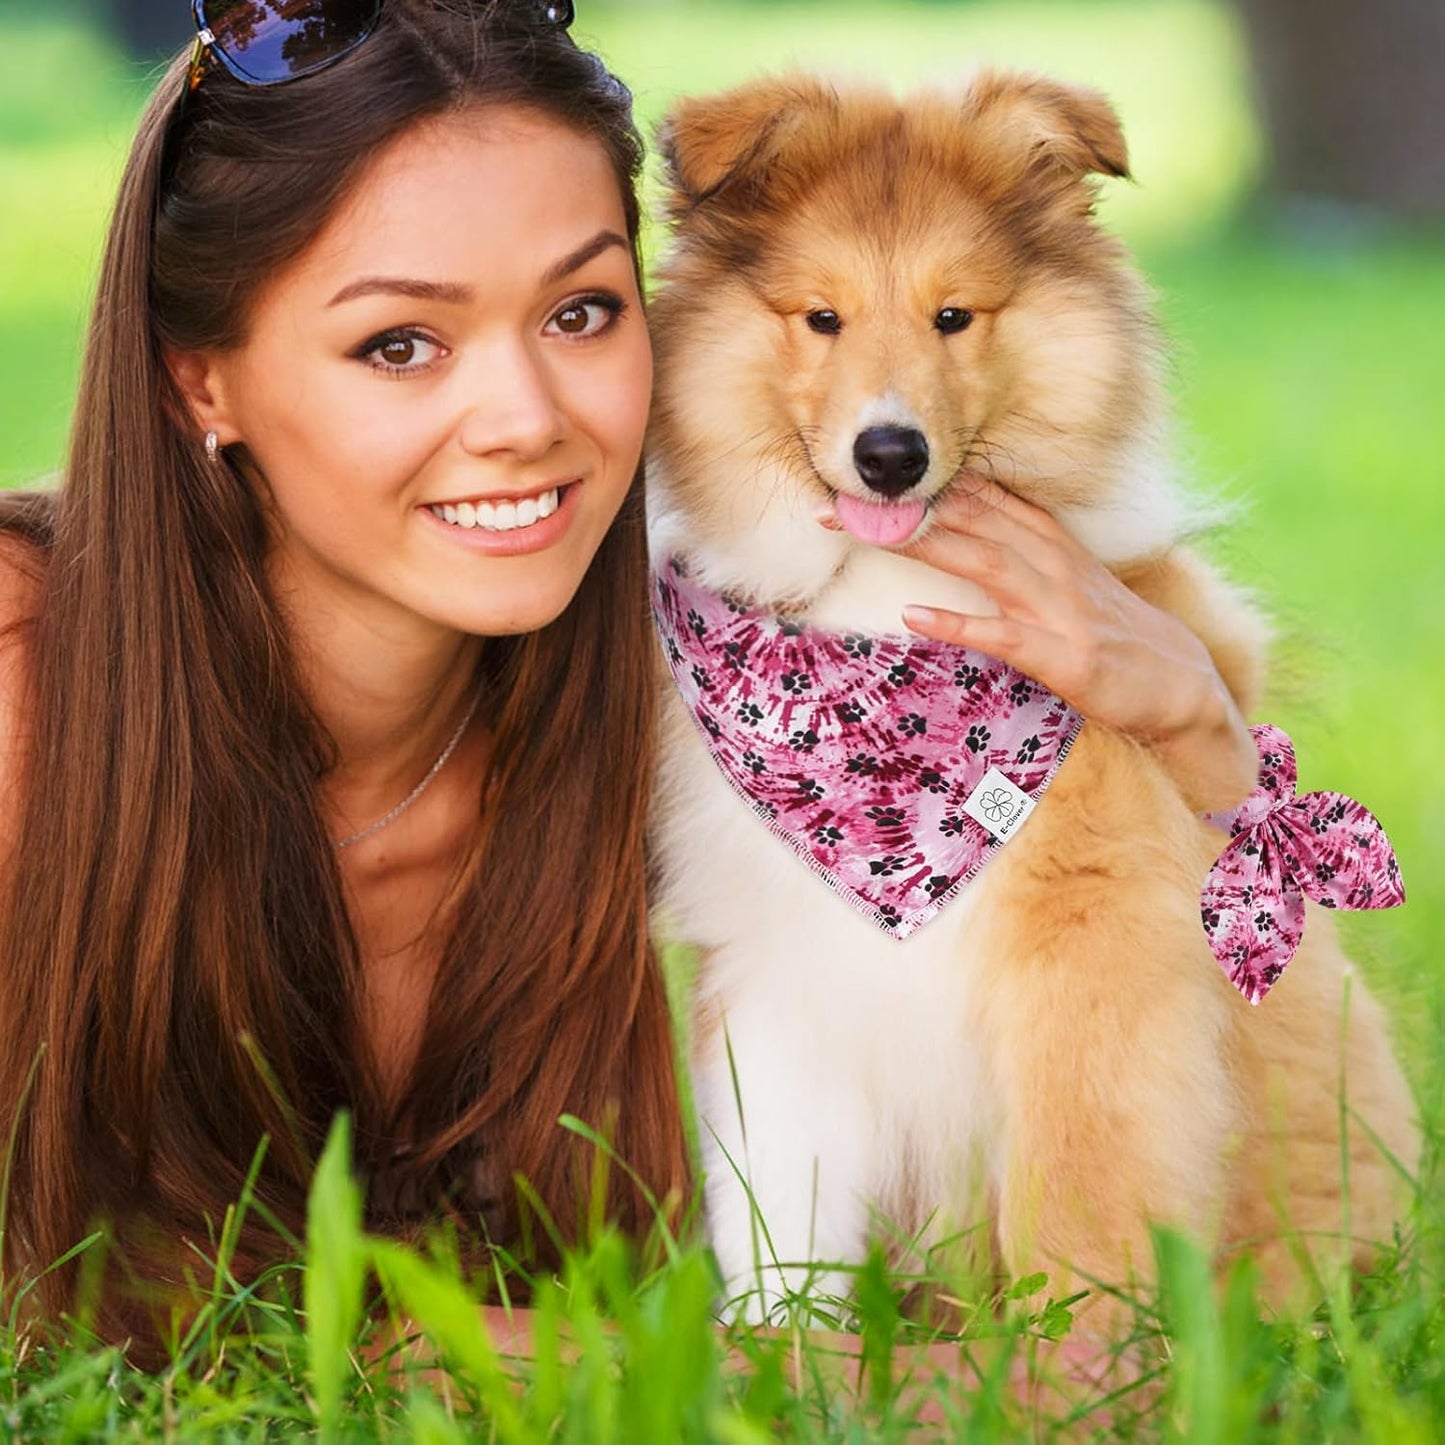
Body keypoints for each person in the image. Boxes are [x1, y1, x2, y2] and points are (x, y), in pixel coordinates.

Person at [0, 0, 1260, 1355]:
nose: (526, 420)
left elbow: (1250, 1034)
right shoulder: (27, 674)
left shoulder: (708, 691)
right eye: (399, 343)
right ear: (202, 384)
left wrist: (1197, 725)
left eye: (581, 311)